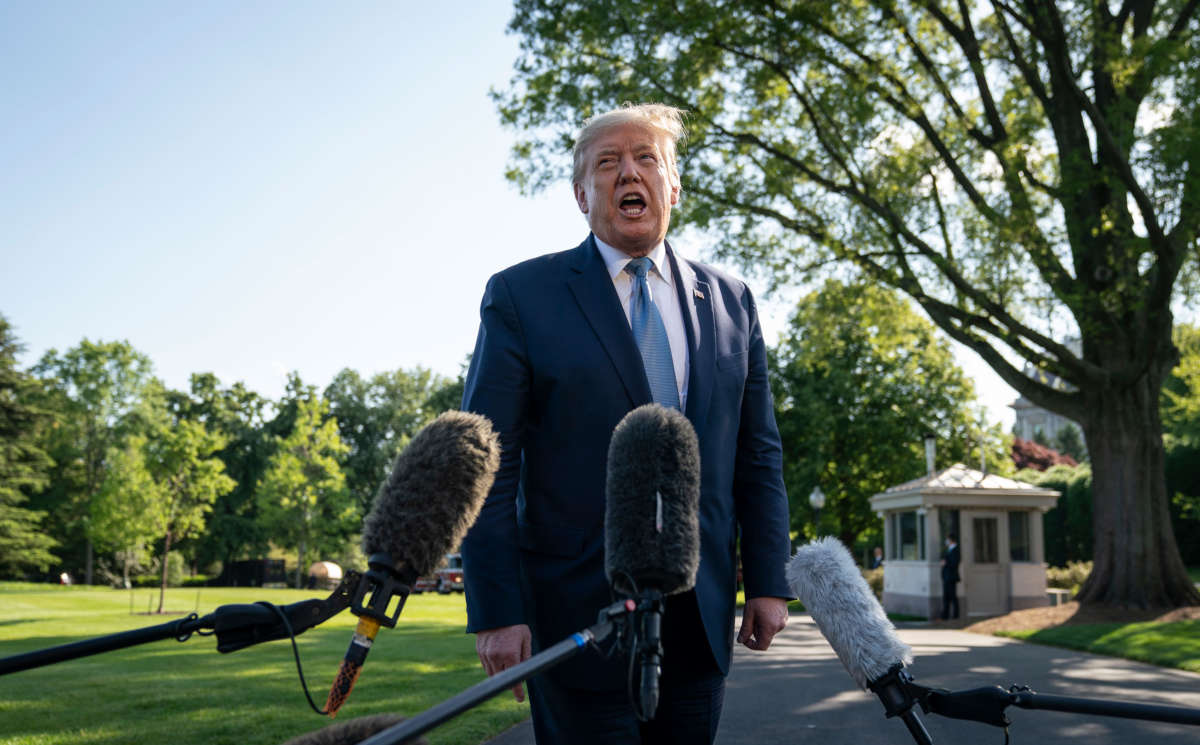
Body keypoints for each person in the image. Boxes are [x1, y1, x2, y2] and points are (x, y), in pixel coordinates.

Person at [460, 103, 793, 745]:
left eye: (647, 158)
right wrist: (497, 610)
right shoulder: (522, 295)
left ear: (673, 185)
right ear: (581, 194)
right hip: (575, 616)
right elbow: (487, 462)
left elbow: (758, 454)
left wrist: (768, 579)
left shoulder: (732, 300)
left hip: (700, 619)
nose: (627, 173)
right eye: (607, 163)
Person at [940, 533, 961, 620]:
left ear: (951, 540)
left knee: (952, 597)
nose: (946, 541)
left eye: (948, 540)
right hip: (946, 577)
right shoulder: (949, 550)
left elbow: (954, 563)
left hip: (951, 577)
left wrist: (945, 563)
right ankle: (945, 615)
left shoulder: (956, 550)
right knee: (946, 597)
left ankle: (955, 615)